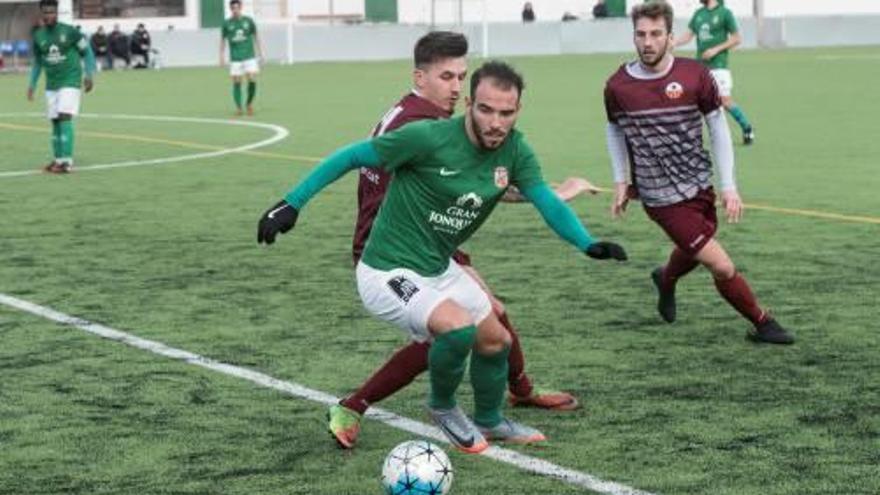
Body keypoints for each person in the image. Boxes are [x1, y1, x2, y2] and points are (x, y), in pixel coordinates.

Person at [258, 60, 627, 453]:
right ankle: (443, 406)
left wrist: (587, 243)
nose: (495, 122)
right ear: (470, 104)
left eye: (506, 112)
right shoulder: (427, 138)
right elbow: (350, 156)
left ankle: (490, 419)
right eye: (486, 109)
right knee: (457, 327)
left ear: (517, 111)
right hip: (387, 269)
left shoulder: (516, 151)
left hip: (439, 267)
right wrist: (291, 204)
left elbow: (544, 200)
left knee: (496, 340)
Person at [329, 31, 599, 451]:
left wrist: (549, 194)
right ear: (420, 77)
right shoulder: (422, 126)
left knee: (491, 316)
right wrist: (553, 193)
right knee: (453, 332)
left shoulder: (417, 112)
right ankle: (355, 404)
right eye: (446, 77)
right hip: (402, 242)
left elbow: (484, 182)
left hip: (434, 231)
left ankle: (516, 390)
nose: (456, 87)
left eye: (461, 76)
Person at [603, 1, 793, 345]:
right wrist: (621, 180)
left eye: (656, 34)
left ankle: (666, 277)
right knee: (720, 264)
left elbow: (718, 128)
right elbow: (614, 129)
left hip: (698, 184)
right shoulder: (618, 86)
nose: (647, 42)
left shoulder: (695, 76)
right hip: (659, 197)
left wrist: (729, 185)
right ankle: (763, 323)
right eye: (641, 34)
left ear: (671, 37)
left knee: (697, 245)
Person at [26, 0, 96, 174]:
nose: (48, 15)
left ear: (56, 13)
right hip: (52, 84)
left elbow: (87, 52)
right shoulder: (38, 36)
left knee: (65, 116)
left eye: (51, 12)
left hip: (70, 81)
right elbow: (37, 63)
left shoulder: (70, 32)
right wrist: (32, 84)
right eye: (45, 12)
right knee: (55, 120)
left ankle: (67, 161)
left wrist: (88, 74)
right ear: (41, 14)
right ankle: (58, 159)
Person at [674, 0, 754, 145]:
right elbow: (688, 35)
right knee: (693, 101)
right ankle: (688, 136)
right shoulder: (699, 14)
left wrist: (715, 50)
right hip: (700, 67)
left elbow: (737, 38)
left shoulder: (725, 13)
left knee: (724, 101)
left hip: (719, 66)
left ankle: (747, 127)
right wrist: (672, 43)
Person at [220, 0, 263, 116]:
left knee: (252, 79)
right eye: (233, 8)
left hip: (249, 56)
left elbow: (256, 36)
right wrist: (221, 56)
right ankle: (239, 107)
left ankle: (249, 104)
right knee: (237, 81)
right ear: (230, 9)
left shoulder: (248, 21)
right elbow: (222, 40)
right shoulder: (226, 24)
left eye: (237, 8)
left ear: (241, 8)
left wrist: (260, 53)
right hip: (235, 58)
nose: (235, 10)